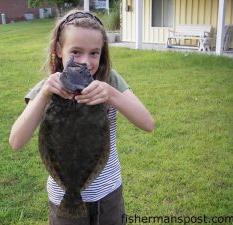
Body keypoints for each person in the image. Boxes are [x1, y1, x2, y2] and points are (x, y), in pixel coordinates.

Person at [9, 9, 155, 225]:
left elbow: (148, 123)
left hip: (108, 195)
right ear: (59, 50)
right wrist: (44, 95)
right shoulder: (47, 88)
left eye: (94, 53)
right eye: (75, 52)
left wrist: (111, 94)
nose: (85, 61)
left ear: (102, 52)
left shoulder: (109, 81)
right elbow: (16, 141)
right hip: (62, 198)